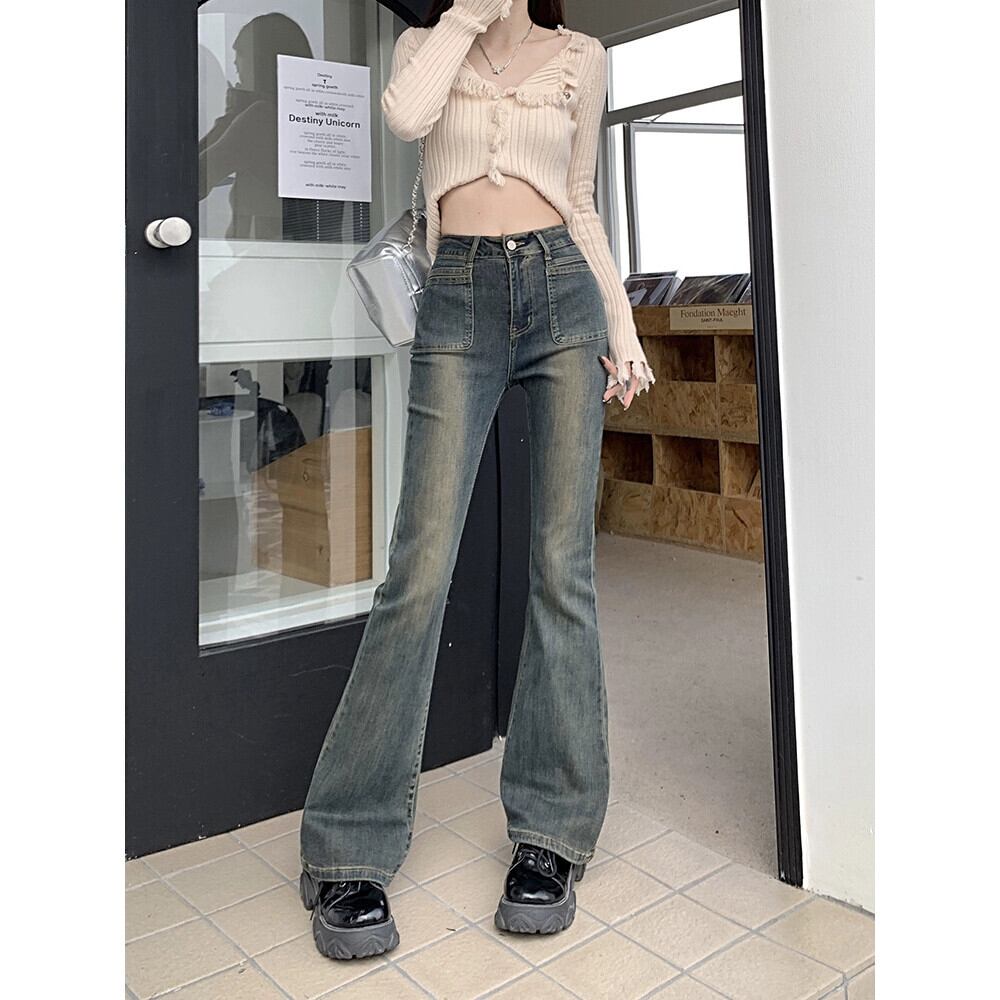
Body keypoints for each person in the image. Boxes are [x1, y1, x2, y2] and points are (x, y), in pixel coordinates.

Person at [297, 0, 656, 960]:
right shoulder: (426, 45)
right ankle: (348, 841)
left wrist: (623, 326)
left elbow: (580, 200)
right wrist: (461, 18)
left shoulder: (581, 56)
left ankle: (552, 835)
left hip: (564, 294)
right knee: (417, 571)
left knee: (562, 569)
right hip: (457, 294)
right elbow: (406, 119)